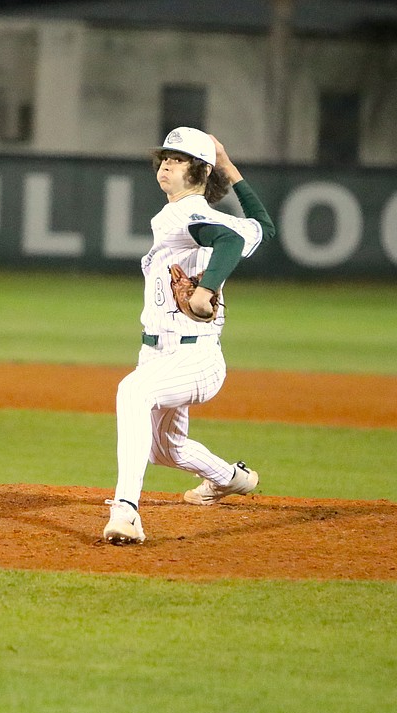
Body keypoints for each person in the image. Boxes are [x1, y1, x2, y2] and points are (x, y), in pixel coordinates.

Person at [103, 126, 276, 544]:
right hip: (161, 354)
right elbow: (262, 228)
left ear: (200, 171)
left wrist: (206, 288)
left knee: (132, 392)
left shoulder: (184, 214)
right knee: (166, 449)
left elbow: (229, 240)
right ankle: (230, 478)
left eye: (178, 160)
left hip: (194, 356)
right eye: (165, 157)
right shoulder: (205, 214)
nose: (166, 164)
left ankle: (126, 511)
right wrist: (229, 166)